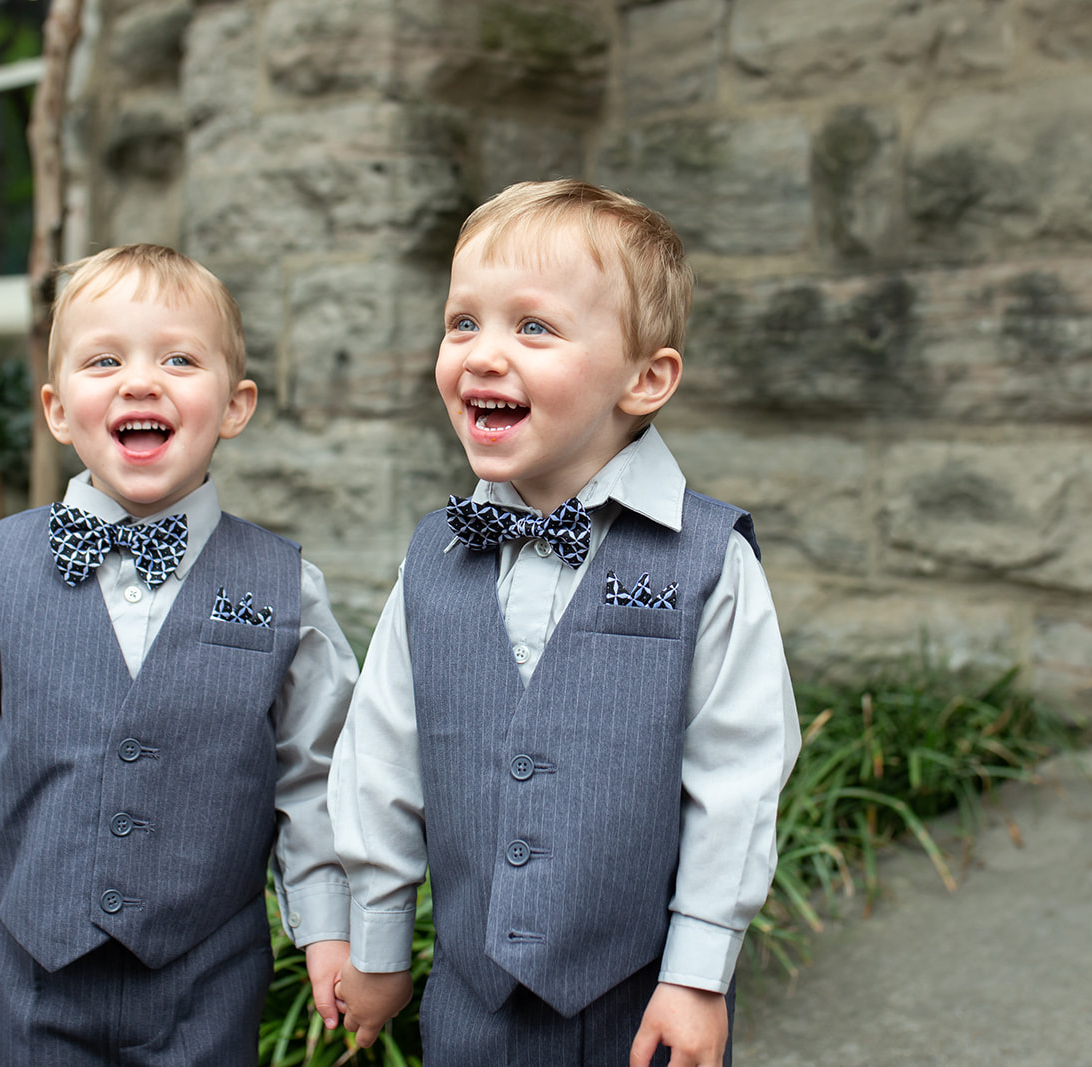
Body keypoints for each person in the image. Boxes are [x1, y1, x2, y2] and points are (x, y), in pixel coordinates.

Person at [328, 180, 801, 1067]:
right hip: (470, 1006)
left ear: (645, 378)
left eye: (533, 327)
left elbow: (737, 777)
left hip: (641, 1006)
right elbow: (381, 756)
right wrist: (382, 941)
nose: (482, 355)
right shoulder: (434, 557)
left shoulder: (708, 560)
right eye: (463, 322)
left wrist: (697, 976)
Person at [0, 244, 357, 1065]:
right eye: (104, 359)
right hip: (31, 968)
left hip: (207, 978)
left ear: (236, 404)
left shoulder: (289, 587)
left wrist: (326, 929)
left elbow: (315, 775)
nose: (141, 381)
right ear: (58, 410)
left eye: (179, 358)